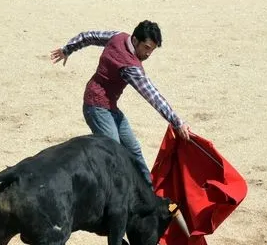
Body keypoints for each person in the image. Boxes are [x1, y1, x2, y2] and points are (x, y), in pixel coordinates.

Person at [50, 20, 190, 185]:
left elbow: (88, 36)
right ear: (135, 40)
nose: (148, 54)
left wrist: (68, 49)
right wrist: (177, 122)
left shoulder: (118, 37)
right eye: (146, 48)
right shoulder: (131, 67)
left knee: (133, 149)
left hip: (110, 106)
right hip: (95, 106)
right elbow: (153, 96)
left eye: (152, 50)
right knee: (113, 152)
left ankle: (149, 192)